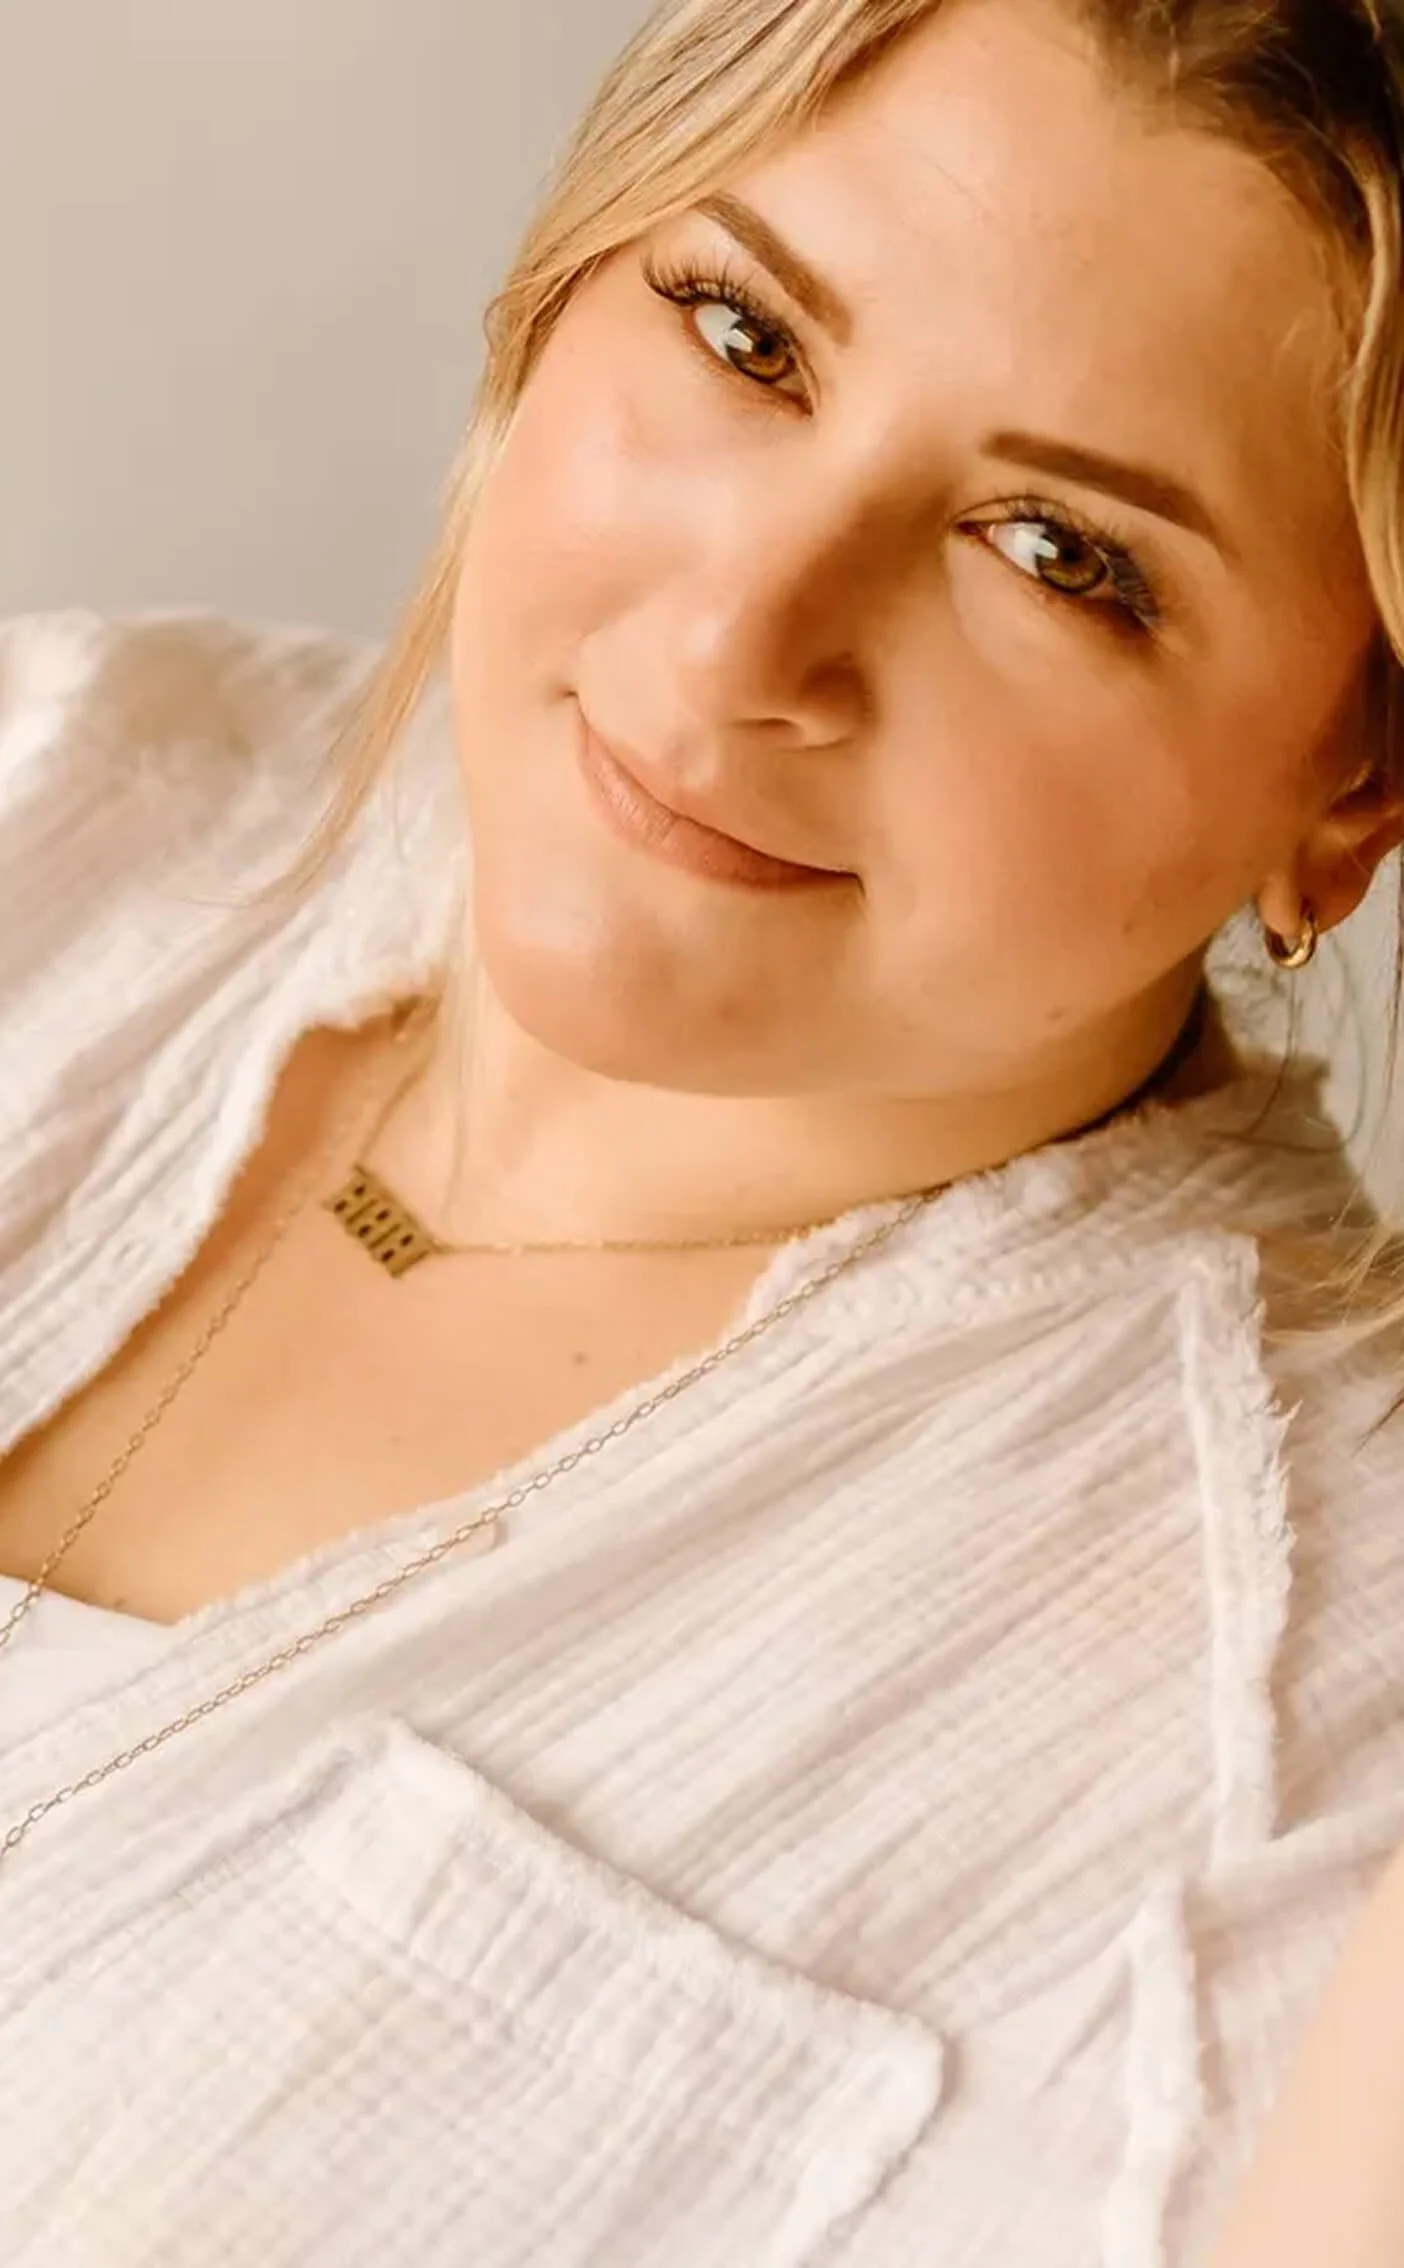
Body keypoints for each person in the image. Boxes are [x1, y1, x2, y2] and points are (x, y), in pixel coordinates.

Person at [1, 0, 1403, 2260]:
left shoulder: (1306, 1764)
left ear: (1354, 793)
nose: (742, 639)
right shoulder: (57, 779)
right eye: (746, 335)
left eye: (1059, 554)